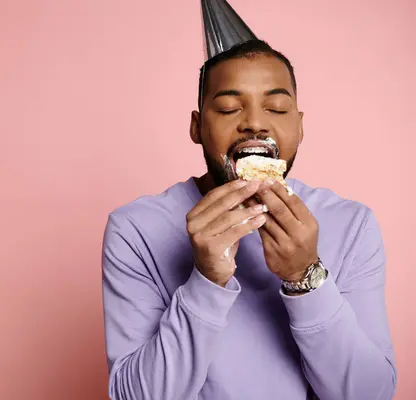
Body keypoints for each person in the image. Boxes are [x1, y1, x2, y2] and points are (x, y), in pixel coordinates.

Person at [101, 39, 397, 399]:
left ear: (300, 127)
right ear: (196, 127)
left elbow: (370, 394)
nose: (255, 123)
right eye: (228, 108)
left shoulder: (351, 224)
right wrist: (206, 280)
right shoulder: (135, 229)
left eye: (276, 107)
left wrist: (305, 277)